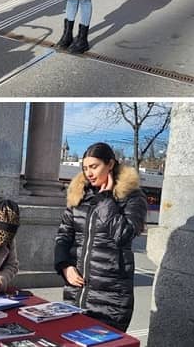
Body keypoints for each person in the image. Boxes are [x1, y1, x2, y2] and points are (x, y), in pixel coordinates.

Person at [54, 142, 148, 332]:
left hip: (112, 295)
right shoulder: (79, 196)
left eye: (94, 167)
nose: (89, 173)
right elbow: (63, 235)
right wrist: (65, 266)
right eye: (85, 168)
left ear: (110, 164)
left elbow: (124, 235)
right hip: (77, 291)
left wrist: (106, 200)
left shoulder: (132, 197)